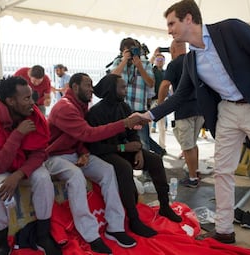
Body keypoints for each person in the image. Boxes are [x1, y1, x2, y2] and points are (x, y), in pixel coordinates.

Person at [132, 0, 250, 252]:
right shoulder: (190, 60)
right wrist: (149, 115)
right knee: (222, 171)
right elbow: (181, 95)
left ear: (188, 19)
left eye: (172, 23)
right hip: (227, 111)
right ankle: (225, 230)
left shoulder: (231, 30)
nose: (169, 30)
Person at [45, 73, 143, 254]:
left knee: (107, 170)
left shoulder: (81, 106)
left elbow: (79, 138)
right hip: (54, 158)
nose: (92, 89)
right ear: (74, 87)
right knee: (76, 176)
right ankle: (91, 234)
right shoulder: (64, 107)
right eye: (88, 85)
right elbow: (88, 134)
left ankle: (115, 227)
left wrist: (82, 152)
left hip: (75, 154)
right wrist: (124, 123)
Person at [86, 74, 182, 236]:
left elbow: (132, 132)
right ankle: (134, 219)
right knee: (124, 168)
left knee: (155, 159)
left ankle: (165, 206)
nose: (126, 90)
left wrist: (137, 149)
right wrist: (124, 147)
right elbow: (96, 147)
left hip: (125, 150)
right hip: (106, 153)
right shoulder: (95, 113)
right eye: (122, 87)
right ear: (111, 90)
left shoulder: (123, 107)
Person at [0, 76, 60, 255]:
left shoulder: (35, 116)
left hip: (24, 165)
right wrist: (17, 135)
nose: (33, 102)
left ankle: (43, 236)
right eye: (27, 98)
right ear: (11, 101)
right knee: (0, 188)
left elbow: (40, 153)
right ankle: (1, 243)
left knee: (44, 178)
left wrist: (19, 174)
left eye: (31, 96)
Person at [157, 40, 204, 188]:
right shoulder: (196, 60)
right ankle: (195, 172)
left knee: (187, 146)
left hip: (184, 110)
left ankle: (192, 178)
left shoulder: (174, 64)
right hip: (200, 108)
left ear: (173, 49)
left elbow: (165, 85)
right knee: (193, 143)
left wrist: (160, 104)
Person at [110, 38, 165, 156]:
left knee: (144, 142)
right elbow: (111, 79)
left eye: (133, 50)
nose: (130, 53)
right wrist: (124, 61)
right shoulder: (118, 62)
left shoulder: (145, 63)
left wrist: (139, 66)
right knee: (121, 141)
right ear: (122, 51)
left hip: (139, 110)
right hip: (120, 110)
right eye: (127, 51)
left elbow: (151, 83)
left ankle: (147, 171)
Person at [149, 51, 167, 149]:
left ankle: (162, 146)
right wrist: (154, 55)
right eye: (158, 59)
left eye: (162, 60)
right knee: (149, 124)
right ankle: (148, 144)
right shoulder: (152, 70)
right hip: (152, 100)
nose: (160, 61)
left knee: (162, 126)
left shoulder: (166, 73)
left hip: (162, 101)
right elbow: (147, 65)